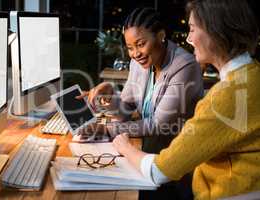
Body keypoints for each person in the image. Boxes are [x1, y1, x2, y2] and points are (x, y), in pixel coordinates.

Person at [113, 0, 260, 199]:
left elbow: (160, 171)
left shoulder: (226, 96)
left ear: (216, 32)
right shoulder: (252, 74)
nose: (189, 39)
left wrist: (124, 147)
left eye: (192, 29)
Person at [77, 7, 203, 199]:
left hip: (174, 168)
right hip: (147, 155)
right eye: (130, 48)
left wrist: (105, 128)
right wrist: (109, 97)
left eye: (141, 44)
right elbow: (126, 108)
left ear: (161, 36)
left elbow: (159, 124)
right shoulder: (140, 64)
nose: (135, 54)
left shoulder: (185, 66)